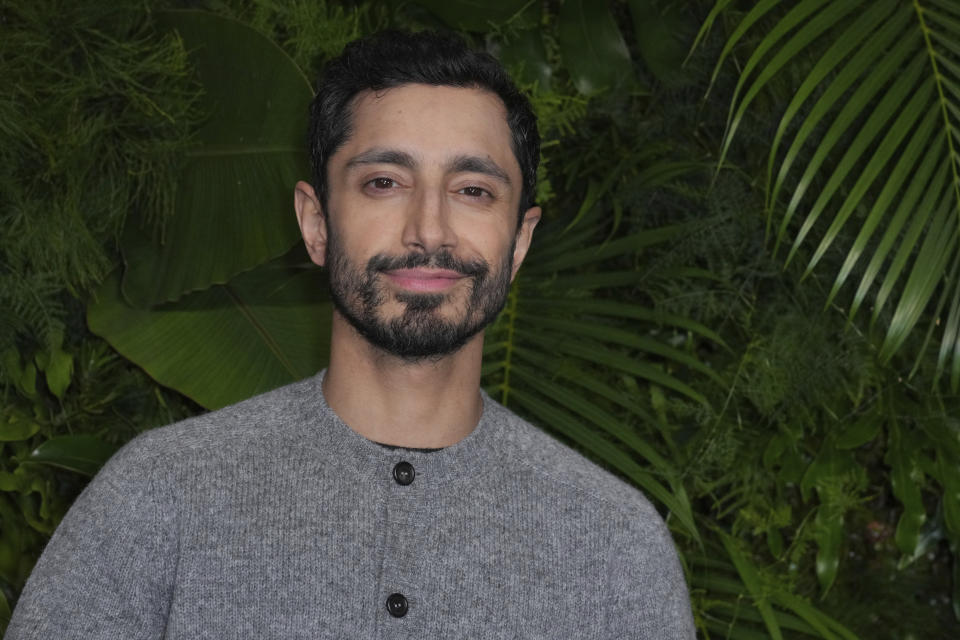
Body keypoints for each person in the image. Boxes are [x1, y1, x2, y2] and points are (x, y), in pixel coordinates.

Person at [7, 30, 695, 638]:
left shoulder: (612, 545)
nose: (429, 230)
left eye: (473, 191)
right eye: (385, 182)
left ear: (519, 241)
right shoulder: (160, 499)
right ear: (315, 222)